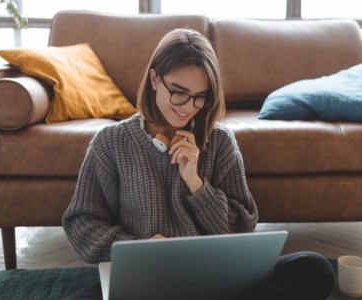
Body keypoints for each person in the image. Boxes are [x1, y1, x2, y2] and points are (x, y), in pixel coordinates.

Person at [62, 28, 334, 300]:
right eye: (179, 92)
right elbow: (81, 223)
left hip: (215, 279)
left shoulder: (219, 141)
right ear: (155, 79)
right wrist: (138, 248)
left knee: (313, 268)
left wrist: (197, 185)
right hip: (146, 279)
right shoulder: (111, 142)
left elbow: (242, 227)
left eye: (201, 96)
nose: (189, 107)